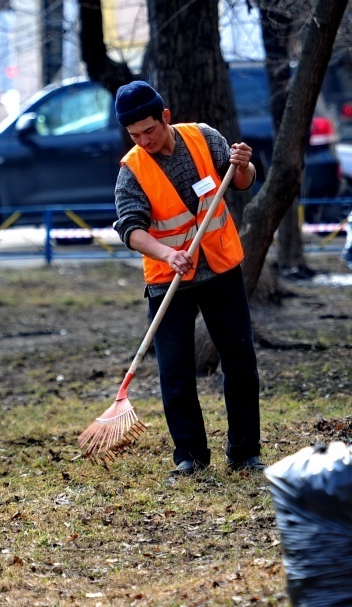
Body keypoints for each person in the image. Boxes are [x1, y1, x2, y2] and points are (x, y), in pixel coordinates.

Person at [111, 81, 265, 477]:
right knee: (175, 372)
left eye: (150, 130)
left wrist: (243, 164)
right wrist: (168, 253)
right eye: (134, 135)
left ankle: (244, 452)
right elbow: (130, 230)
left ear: (166, 116)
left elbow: (243, 182)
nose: (144, 140)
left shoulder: (204, 139)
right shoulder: (132, 171)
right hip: (168, 280)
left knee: (240, 361)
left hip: (220, 268)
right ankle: (190, 457)